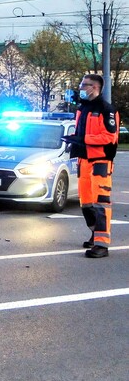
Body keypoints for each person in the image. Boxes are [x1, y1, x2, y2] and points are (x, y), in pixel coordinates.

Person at [63, 74, 119, 258]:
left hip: (100, 161)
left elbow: (110, 137)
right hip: (84, 160)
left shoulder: (106, 110)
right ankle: (95, 234)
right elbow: (81, 132)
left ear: (94, 87)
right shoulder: (83, 108)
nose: (81, 88)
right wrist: (73, 140)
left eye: (84, 85)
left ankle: (102, 245)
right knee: (86, 202)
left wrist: (83, 140)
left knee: (101, 203)